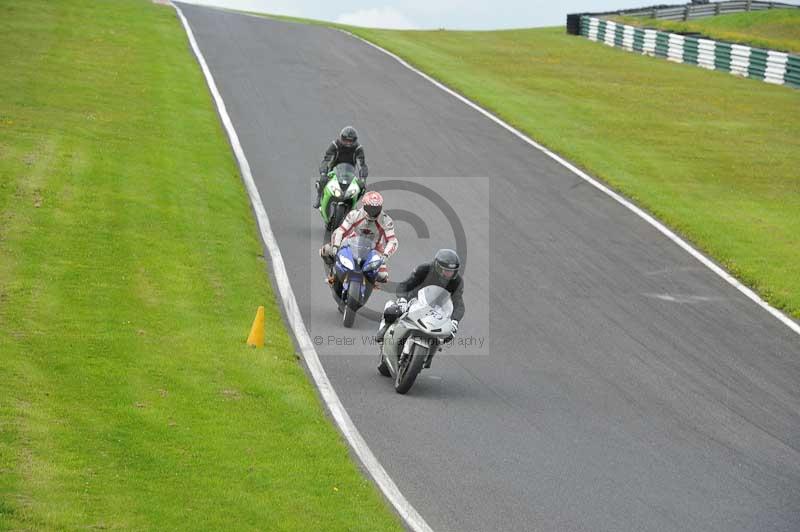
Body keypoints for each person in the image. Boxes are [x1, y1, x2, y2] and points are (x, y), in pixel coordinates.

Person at [375, 249, 464, 346]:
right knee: (393, 310)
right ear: (437, 266)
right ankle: (385, 329)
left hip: (437, 310)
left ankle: (429, 356)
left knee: (448, 335)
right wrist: (403, 300)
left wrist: (454, 321)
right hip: (415, 300)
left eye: (451, 271)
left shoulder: (456, 281)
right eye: (446, 270)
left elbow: (458, 303)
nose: (449, 274)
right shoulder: (424, 269)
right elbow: (405, 285)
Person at [320, 191, 398, 284]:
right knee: (326, 250)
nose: (373, 212)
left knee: (383, 276)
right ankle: (332, 273)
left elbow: (392, 241)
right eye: (370, 208)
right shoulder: (354, 214)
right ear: (364, 206)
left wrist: (386, 255)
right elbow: (340, 230)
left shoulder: (386, 220)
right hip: (351, 242)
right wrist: (336, 246)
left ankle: (369, 284)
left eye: (376, 208)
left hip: (375, 249)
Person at [313, 126, 368, 208]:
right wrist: (324, 173)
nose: (348, 143)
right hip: (334, 172)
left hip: (350, 174)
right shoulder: (335, 145)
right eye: (346, 140)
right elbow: (327, 160)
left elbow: (362, 165)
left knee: (362, 188)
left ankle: (353, 204)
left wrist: (363, 179)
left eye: (350, 141)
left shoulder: (358, 148)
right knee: (322, 181)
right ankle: (319, 196)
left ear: (354, 140)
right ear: (342, 138)